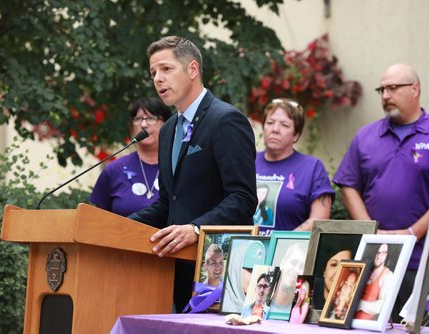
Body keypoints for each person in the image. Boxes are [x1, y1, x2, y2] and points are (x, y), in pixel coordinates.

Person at [333, 63, 429, 327]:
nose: (386, 95)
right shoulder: (366, 136)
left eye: (393, 88)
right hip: (373, 262)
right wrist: (370, 231)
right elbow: (349, 185)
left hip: (423, 262)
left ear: (415, 89)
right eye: (382, 89)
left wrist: (411, 233)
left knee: (424, 331)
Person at [128, 36, 258, 312]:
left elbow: (243, 198)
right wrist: (114, 225)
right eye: (153, 73)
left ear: (193, 69)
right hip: (172, 272)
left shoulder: (226, 120)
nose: (158, 79)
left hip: (217, 272)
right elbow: (169, 203)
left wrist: (197, 229)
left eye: (166, 69)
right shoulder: (167, 130)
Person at [255, 98, 334, 236]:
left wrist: (281, 243)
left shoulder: (312, 168)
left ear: (296, 135)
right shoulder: (247, 161)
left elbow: (319, 219)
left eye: (284, 125)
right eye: (270, 123)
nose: (275, 129)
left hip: (290, 253)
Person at [89, 97, 172, 216]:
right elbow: (96, 220)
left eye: (151, 118)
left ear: (167, 124)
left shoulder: (179, 168)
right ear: (131, 127)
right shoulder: (114, 170)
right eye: (138, 119)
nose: (143, 124)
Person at [222, 240, 266, 314]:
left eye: (259, 271)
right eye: (251, 271)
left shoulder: (264, 307)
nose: (256, 278)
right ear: (235, 269)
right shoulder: (216, 304)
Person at [355, 243, 394, 320]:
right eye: (378, 252)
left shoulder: (388, 275)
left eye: (383, 253)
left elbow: (381, 305)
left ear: (387, 255)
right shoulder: (366, 270)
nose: (379, 256)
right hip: (351, 320)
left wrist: (357, 304)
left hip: (368, 323)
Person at [269, 242, 308, 315]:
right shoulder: (261, 299)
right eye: (293, 263)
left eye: (302, 266)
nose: (296, 270)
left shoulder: (300, 310)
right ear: (283, 263)